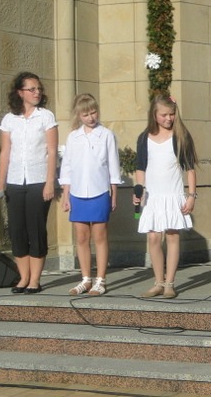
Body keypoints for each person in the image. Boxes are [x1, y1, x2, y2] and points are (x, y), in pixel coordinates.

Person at [0, 71, 58, 294]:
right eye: (32, 89)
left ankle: (35, 280)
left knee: (35, 229)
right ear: (20, 93)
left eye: (38, 88)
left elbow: (52, 151)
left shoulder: (46, 116)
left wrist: (49, 182)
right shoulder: (9, 119)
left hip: (38, 180)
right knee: (17, 230)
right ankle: (23, 278)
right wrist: (0, 183)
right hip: (14, 181)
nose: (37, 92)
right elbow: (5, 152)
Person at [134, 94, 198, 299]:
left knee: (172, 235)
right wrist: (138, 190)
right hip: (153, 196)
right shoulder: (144, 138)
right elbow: (140, 169)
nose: (168, 118)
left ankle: (170, 283)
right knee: (153, 237)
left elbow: (190, 169)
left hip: (172, 194)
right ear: (154, 114)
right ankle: (158, 282)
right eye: (164, 115)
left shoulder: (180, 136)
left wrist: (191, 195)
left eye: (171, 114)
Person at [59, 94, 121, 296]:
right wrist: (66, 195)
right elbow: (67, 167)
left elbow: (113, 166)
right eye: (85, 114)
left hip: (99, 191)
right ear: (79, 115)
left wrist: (113, 194)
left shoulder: (106, 135)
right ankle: (86, 279)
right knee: (81, 237)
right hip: (77, 193)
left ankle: (100, 280)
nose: (91, 117)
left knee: (100, 236)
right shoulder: (73, 137)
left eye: (93, 112)